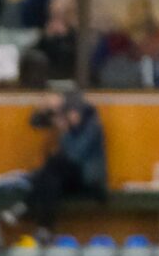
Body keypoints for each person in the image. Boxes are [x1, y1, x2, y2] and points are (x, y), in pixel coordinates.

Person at [22, 89, 107, 227]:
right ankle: (43, 226)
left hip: (88, 180)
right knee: (50, 177)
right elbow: (35, 123)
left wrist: (64, 131)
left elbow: (75, 156)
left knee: (52, 167)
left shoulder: (92, 127)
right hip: (68, 176)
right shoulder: (71, 123)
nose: (71, 116)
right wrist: (43, 109)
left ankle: (27, 207)